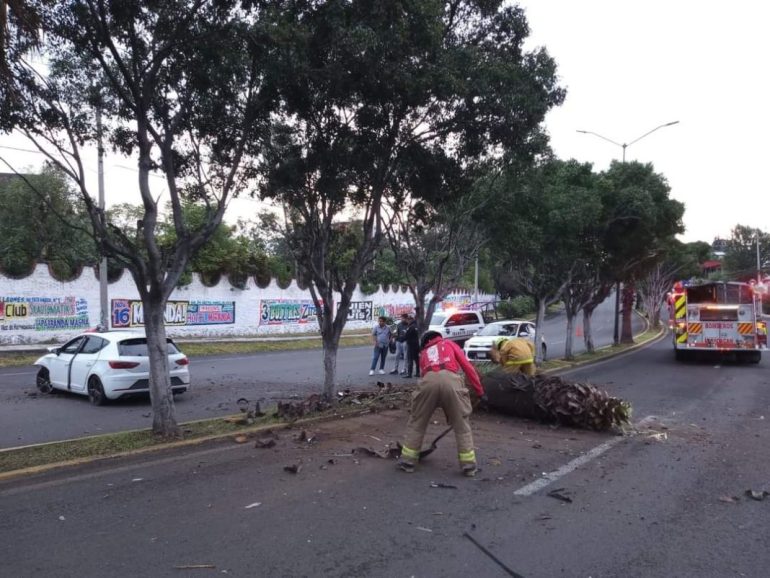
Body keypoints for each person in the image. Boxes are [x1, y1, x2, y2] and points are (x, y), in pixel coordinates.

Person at [398, 330, 485, 477]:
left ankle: (408, 462)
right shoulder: (449, 344)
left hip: (428, 382)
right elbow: (467, 367)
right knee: (461, 426)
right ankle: (469, 467)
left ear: (426, 342)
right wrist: (480, 391)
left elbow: (423, 375)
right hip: (451, 381)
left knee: (417, 422)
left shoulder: (424, 353)